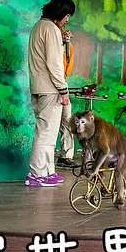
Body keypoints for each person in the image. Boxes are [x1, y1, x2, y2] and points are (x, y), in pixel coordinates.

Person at [26, 0, 75, 187]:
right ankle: (36, 174)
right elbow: (54, 64)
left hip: (39, 86)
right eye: (67, 14)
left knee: (48, 132)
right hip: (50, 89)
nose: (68, 19)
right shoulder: (51, 29)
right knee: (46, 133)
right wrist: (63, 91)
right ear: (60, 12)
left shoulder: (39, 26)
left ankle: (47, 171)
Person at [55, 25, 76, 170]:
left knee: (67, 122)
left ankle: (66, 156)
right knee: (50, 124)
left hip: (62, 83)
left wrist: (66, 44)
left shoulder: (68, 46)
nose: (65, 32)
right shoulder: (52, 43)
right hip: (50, 85)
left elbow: (67, 65)